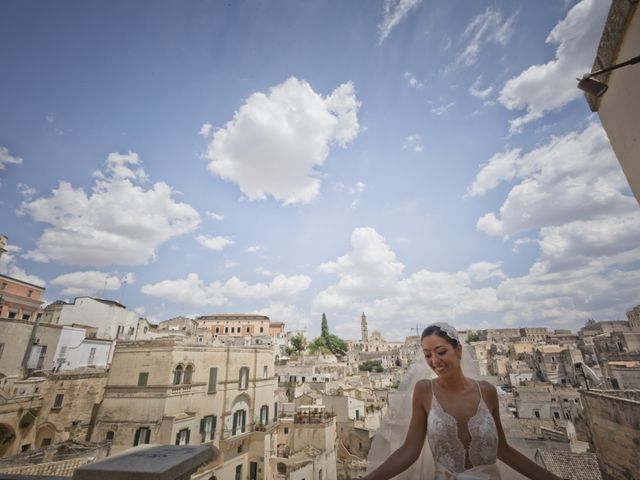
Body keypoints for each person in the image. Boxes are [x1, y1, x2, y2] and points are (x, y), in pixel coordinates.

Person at [359, 323, 562, 480]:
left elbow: (503, 450)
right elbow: (409, 451)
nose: (434, 361)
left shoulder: (487, 392)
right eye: (427, 355)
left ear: (458, 350)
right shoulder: (424, 391)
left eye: (441, 352)